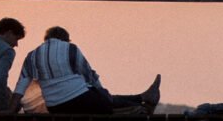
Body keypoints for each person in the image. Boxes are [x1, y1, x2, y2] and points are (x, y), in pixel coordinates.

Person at [12, 25, 160, 115]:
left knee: (103, 99)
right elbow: (89, 75)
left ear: (46, 39)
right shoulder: (70, 49)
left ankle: (143, 98)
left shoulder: (31, 56)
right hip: (80, 100)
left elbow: (20, 88)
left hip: (56, 107)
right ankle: (142, 102)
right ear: (66, 39)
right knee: (105, 100)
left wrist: (11, 109)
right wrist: (103, 93)